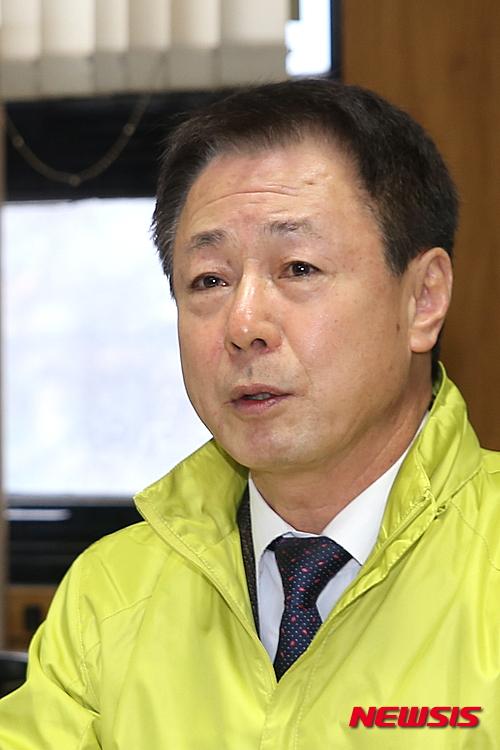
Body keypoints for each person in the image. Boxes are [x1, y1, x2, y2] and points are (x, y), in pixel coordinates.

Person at [0, 78, 498, 749]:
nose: (243, 324)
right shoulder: (110, 594)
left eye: (298, 268)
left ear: (423, 299)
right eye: (209, 280)